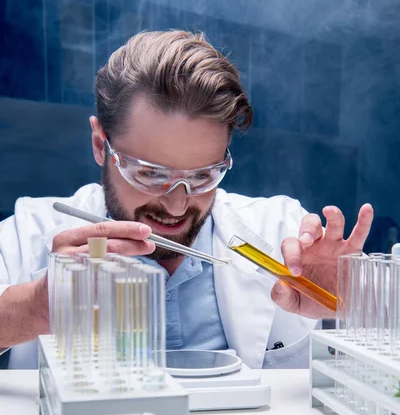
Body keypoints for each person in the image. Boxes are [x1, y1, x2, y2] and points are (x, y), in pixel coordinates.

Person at [0, 30, 373, 370]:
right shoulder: (27, 234)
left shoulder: (281, 232)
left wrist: (352, 311)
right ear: (101, 145)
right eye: (150, 174)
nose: (178, 207)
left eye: (202, 176)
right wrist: (35, 307)